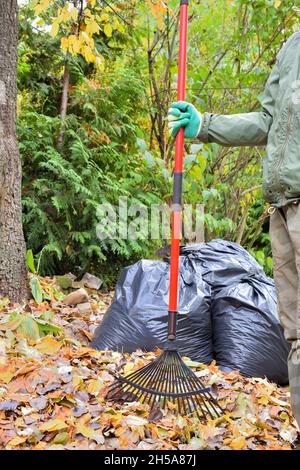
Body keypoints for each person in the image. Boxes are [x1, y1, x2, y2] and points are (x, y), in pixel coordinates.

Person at [168, 31, 300, 427]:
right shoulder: (292, 45)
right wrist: (204, 125)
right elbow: (267, 121)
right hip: (284, 205)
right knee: (295, 332)